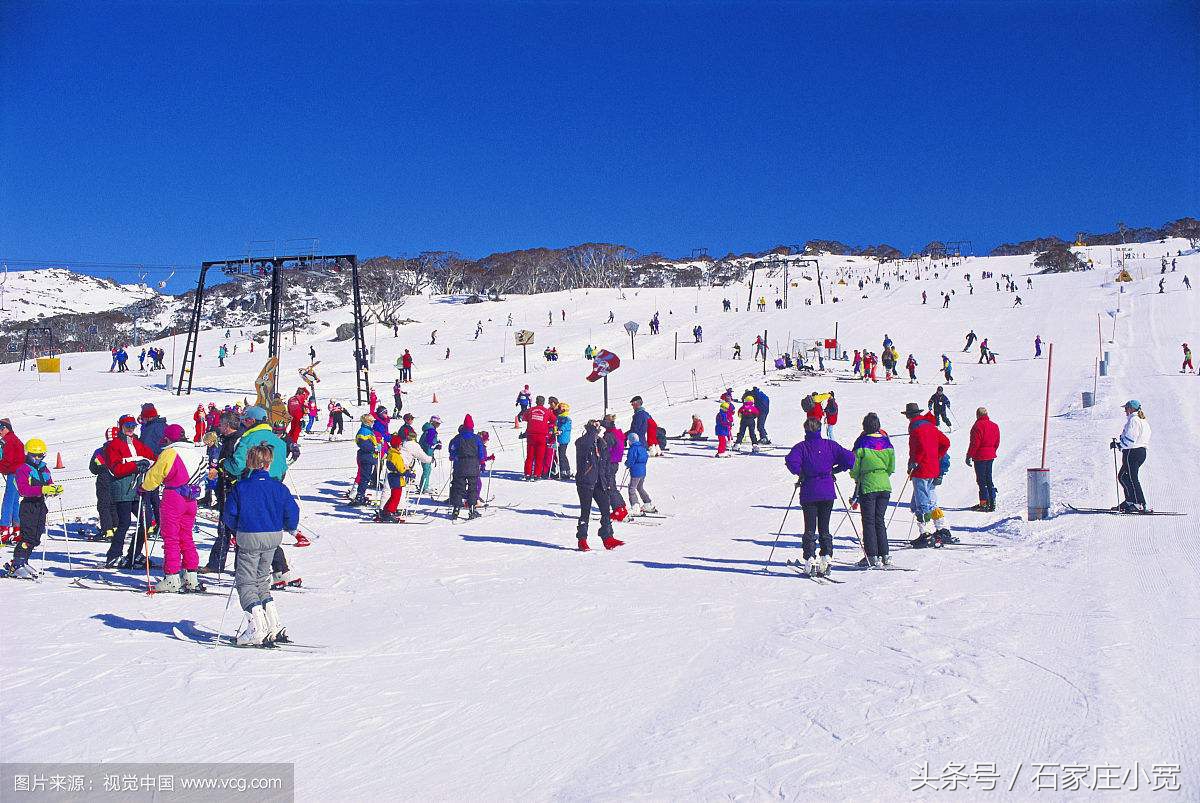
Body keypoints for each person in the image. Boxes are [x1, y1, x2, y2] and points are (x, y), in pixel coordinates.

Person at [222, 443, 300, 647]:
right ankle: (273, 624)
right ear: (269, 462)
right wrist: (289, 526)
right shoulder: (278, 487)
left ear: (250, 462)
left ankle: (256, 628)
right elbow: (292, 511)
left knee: (246, 582)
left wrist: (236, 528)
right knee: (261, 580)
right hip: (273, 536)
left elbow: (229, 514)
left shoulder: (242, 487)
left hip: (249, 534)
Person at [784, 418, 855, 577]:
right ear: (820, 429)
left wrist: (801, 472)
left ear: (806, 430)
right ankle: (826, 557)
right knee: (825, 526)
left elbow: (790, 461)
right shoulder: (830, 445)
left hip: (809, 490)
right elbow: (850, 458)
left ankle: (810, 558)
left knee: (809, 527)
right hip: (827, 490)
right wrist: (836, 470)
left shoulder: (801, 447)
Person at [140, 424, 206, 593]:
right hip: (191, 498)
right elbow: (203, 476)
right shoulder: (196, 453)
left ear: (168, 438)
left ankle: (171, 578)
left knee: (171, 538)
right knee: (186, 536)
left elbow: (155, 475)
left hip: (173, 497)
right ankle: (191, 576)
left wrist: (144, 487)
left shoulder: (170, 453)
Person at [2, 437, 63, 578]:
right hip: (28, 506)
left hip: (41, 505)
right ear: (27, 454)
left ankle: (24, 561)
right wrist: (42, 490)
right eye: (33, 455)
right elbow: (23, 490)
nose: (36, 458)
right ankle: (17, 564)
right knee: (27, 536)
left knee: (36, 536)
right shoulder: (23, 469)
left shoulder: (44, 469)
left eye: (40, 455)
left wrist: (54, 490)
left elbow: (49, 483)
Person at [104, 414, 156, 568]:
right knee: (124, 523)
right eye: (127, 426)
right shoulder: (114, 445)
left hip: (137, 490)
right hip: (123, 489)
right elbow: (115, 469)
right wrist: (135, 465)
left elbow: (151, 456)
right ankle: (113, 556)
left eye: (133, 426)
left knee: (146, 520)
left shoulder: (137, 443)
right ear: (121, 426)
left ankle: (134, 552)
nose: (131, 429)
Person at [902, 402, 953, 548]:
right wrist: (937, 456)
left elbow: (918, 449)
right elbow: (946, 442)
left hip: (921, 470)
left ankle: (925, 533)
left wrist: (914, 461)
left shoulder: (916, 429)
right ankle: (941, 528)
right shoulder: (930, 426)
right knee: (930, 499)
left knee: (922, 502)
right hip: (933, 468)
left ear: (909, 416)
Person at [849, 413, 895, 568]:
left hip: (868, 484)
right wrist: (883, 474)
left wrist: (855, 476)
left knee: (868, 521)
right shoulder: (886, 442)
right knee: (879, 520)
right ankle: (885, 554)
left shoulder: (862, 442)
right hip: (884, 484)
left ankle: (872, 555)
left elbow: (854, 464)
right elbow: (891, 465)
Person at [200, 412, 242, 574]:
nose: (219, 427)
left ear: (227, 425)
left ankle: (240, 566)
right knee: (224, 528)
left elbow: (235, 465)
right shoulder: (225, 439)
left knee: (234, 528)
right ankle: (216, 563)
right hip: (223, 487)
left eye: (221, 425)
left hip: (232, 488)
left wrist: (222, 469)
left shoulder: (236, 440)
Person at [574, 420, 622, 551]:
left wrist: (607, 482)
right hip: (585, 481)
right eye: (594, 426)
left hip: (600, 482)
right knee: (585, 511)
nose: (597, 429)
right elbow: (583, 444)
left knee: (606, 510)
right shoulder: (582, 442)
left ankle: (607, 536)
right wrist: (591, 431)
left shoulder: (602, 443)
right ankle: (582, 539)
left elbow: (605, 464)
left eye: (598, 426)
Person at [1114, 400, 1151, 512]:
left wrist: (1119, 444)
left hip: (1132, 452)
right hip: (1140, 452)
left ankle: (1139, 503)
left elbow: (1130, 439)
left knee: (1131, 477)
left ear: (1131, 409)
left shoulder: (1134, 420)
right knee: (1123, 476)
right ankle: (1130, 501)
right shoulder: (1142, 420)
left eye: (1126, 408)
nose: (1125, 411)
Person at [447, 414, 485, 520]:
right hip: (473, 465)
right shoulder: (476, 438)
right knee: (473, 488)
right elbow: (481, 452)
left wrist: (453, 456)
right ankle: (472, 509)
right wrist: (482, 463)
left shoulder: (458, 438)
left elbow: (452, 449)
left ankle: (456, 509)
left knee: (458, 487)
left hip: (460, 465)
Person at [966, 407, 1000, 512]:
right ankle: (992, 501)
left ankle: (984, 503)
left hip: (980, 456)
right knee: (989, 478)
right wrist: (992, 450)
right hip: (990, 455)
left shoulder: (977, 426)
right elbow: (997, 441)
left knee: (981, 480)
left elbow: (975, 443)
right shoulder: (994, 426)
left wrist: (969, 456)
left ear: (977, 415)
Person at [89, 426, 119, 541]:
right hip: (118, 480)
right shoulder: (122, 449)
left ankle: (107, 530)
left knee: (103, 506)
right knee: (115, 505)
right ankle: (116, 527)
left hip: (104, 480)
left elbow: (92, 469)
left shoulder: (99, 452)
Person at [0, 419, 26, 544]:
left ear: (6, 428)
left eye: (0, 429)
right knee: (15, 501)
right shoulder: (15, 439)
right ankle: (17, 530)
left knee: (7, 501)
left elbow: (7, 460)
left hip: (14, 473)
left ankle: (4, 530)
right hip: (19, 473)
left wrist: (1, 468)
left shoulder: (8, 440)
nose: (0, 432)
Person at [521, 396, 556, 479]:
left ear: (536, 402)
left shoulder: (530, 410)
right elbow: (554, 420)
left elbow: (524, 418)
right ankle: (537, 474)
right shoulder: (547, 411)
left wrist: (533, 420)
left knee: (530, 456)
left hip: (531, 435)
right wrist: (547, 425)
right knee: (539, 457)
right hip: (542, 436)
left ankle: (527, 474)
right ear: (543, 402)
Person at [624, 432, 656, 515]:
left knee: (631, 488)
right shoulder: (642, 447)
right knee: (640, 487)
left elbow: (631, 460)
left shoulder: (633, 449)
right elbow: (645, 457)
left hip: (635, 472)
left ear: (631, 441)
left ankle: (635, 507)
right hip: (642, 471)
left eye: (629, 440)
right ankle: (647, 503)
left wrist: (627, 464)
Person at [351, 414, 379, 506]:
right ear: (367, 422)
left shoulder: (368, 430)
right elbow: (363, 444)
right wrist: (374, 448)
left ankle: (361, 494)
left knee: (366, 477)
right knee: (365, 477)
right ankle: (360, 495)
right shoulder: (364, 431)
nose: (373, 423)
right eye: (372, 421)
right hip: (366, 457)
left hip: (368, 457)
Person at [417, 416, 442, 493]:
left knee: (427, 469)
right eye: (438, 423)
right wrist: (437, 445)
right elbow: (429, 444)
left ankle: (424, 486)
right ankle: (424, 488)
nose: (439, 425)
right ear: (434, 422)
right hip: (426, 453)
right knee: (427, 470)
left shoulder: (428, 430)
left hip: (424, 452)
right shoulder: (431, 431)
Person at [554, 403, 573, 480]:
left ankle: (563, 471)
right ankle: (566, 470)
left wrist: (560, 430)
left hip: (563, 439)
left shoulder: (566, 419)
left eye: (560, 409)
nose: (558, 411)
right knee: (561, 454)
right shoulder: (559, 418)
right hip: (560, 438)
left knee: (561, 455)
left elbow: (564, 426)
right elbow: (557, 425)